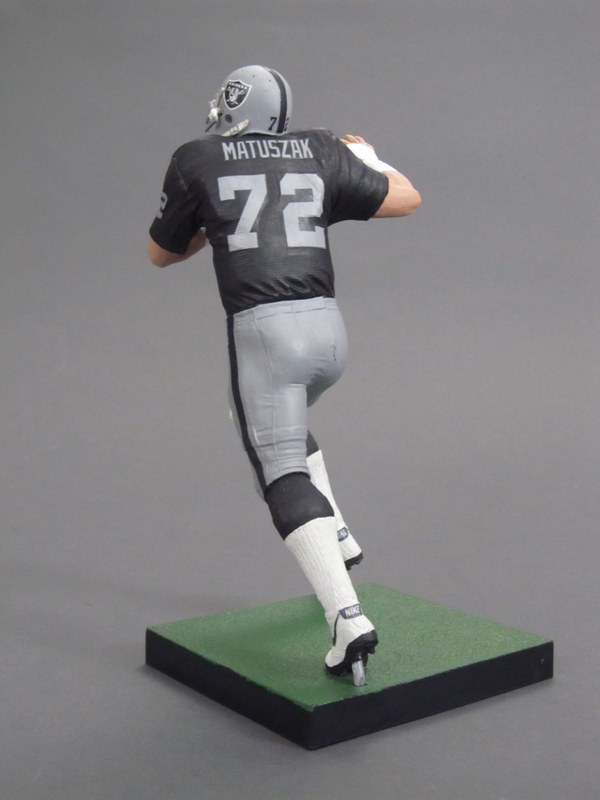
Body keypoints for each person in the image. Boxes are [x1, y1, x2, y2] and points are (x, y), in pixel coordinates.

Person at [147, 65, 421, 683]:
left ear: (234, 109)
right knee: (270, 421)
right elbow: (406, 197)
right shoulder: (318, 149)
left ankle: (346, 619)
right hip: (329, 333)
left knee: (277, 468)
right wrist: (369, 158)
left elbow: (160, 252)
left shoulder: (197, 158)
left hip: (267, 334)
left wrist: (210, 214)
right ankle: (339, 534)